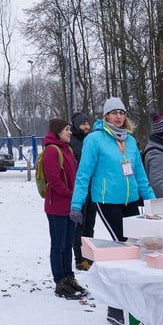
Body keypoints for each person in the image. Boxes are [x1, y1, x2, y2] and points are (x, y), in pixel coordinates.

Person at [69, 96, 156, 325]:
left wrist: (153, 203)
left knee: (137, 249)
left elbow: (140, 174)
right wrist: (77, 205)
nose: (118, 116)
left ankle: (133, 303)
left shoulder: (130, 141)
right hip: (107, 201)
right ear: (106, 116)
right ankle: (115, 308)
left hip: (131, 200)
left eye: (121, 112)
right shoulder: (94, 140)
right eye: (113, 113)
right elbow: (83, 173)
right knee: (124, 250)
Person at [43, 118, 87, 299]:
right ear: (58, 132)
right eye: (67, 129)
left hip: (70, 206)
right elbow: (53, 179)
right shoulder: (52, 151)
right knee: (58, 245)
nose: (70, 132)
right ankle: (59, 281)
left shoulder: (67, 149)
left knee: (68, 244)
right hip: (56, 207)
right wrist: (71, 194)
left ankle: (69, 277)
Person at [69, 111, 96, 271]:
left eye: (88, 124)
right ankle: (79, 258)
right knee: (78, 225)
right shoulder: (71, 141)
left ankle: (89, 256)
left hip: (92, 188)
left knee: (89, 225)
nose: (86, 127)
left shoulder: (91, 140)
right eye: (83, 124)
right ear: (76, 125)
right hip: (78, 188)